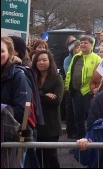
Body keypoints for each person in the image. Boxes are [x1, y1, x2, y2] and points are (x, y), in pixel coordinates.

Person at [1, 36, 32, 168]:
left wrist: (2, 109)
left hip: (11, 137)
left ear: (10, 53)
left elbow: (22, 111)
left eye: (1, 51)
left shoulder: (19, 76)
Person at [32, 50, 64, 168]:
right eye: (39, 60)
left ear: (50, 62)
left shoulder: (57, 78)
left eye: (44, 60)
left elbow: (56, 101)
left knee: (51, 156)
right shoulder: (32, 77)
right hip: (35, 123)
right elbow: (30, 96)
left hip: (51, 124)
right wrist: (44, 95)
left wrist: (38, 95)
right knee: (37, 156)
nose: (41, 62)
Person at [65, 35, 102, 138]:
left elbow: (99, 77)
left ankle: (91, 140)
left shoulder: (97, 58)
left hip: (89, 93)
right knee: (78, 119)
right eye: (81, 43)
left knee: (91, 118)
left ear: (92, 45)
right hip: (76, 93)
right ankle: (81, 141)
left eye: (85, 43)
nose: (82, 44)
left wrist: (94, 89)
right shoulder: (76, 57)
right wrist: (68, 87)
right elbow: (69, 73)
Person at [63, 40, 80, 139]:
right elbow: (67, 72)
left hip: (80, 89)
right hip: (71, 88)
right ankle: (71, 131)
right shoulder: (68, 59)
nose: (79, 49)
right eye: (77, 47)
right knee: (70, 110)